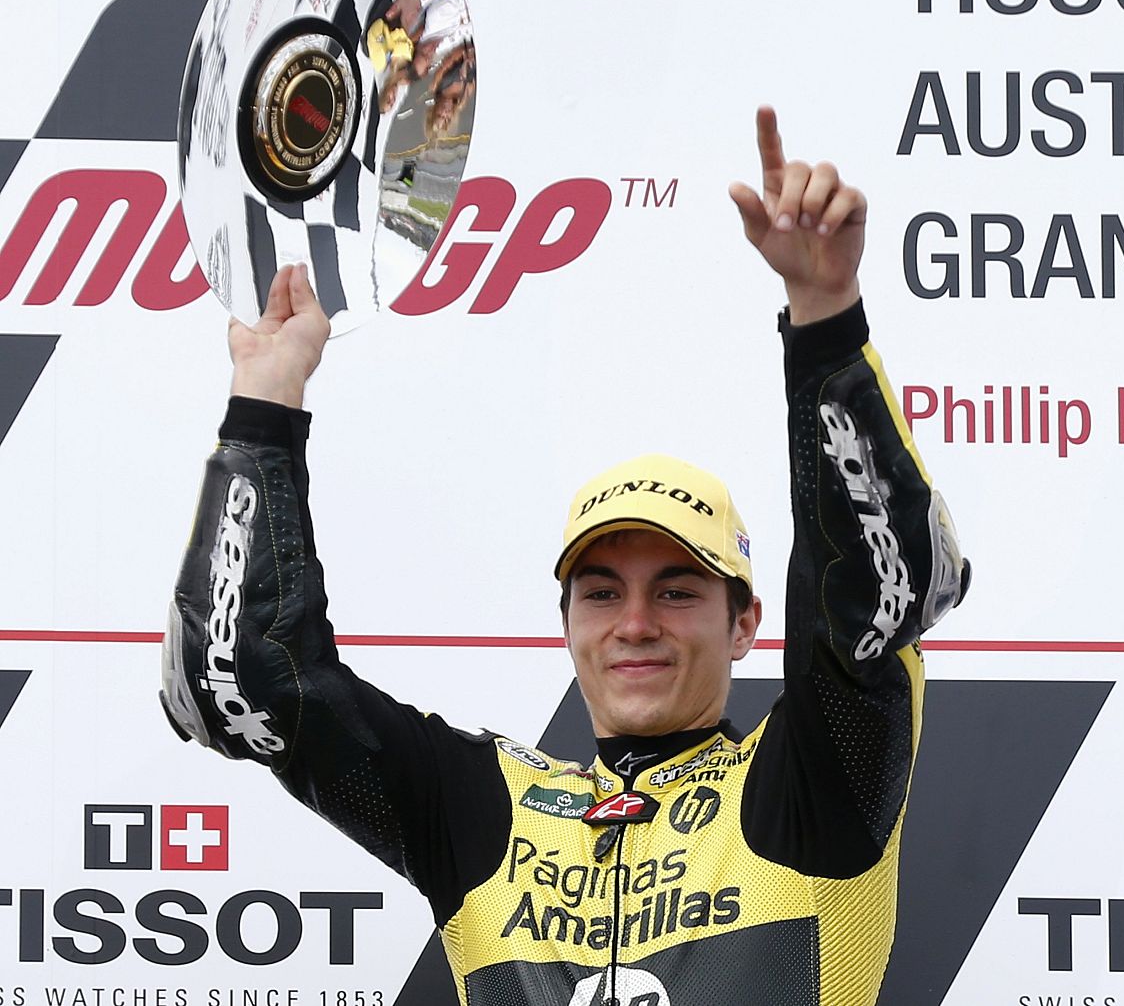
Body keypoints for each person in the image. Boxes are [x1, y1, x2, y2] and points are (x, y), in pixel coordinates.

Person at [160, 108, 970, 1006]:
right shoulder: (482, 812)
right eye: (600, 591)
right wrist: (267, 400)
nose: (634, 623)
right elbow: (240, 677)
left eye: (675, 589)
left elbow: (872, 593)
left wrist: (824, 320)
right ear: (566, 624)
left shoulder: (811, 792)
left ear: (745, 621)